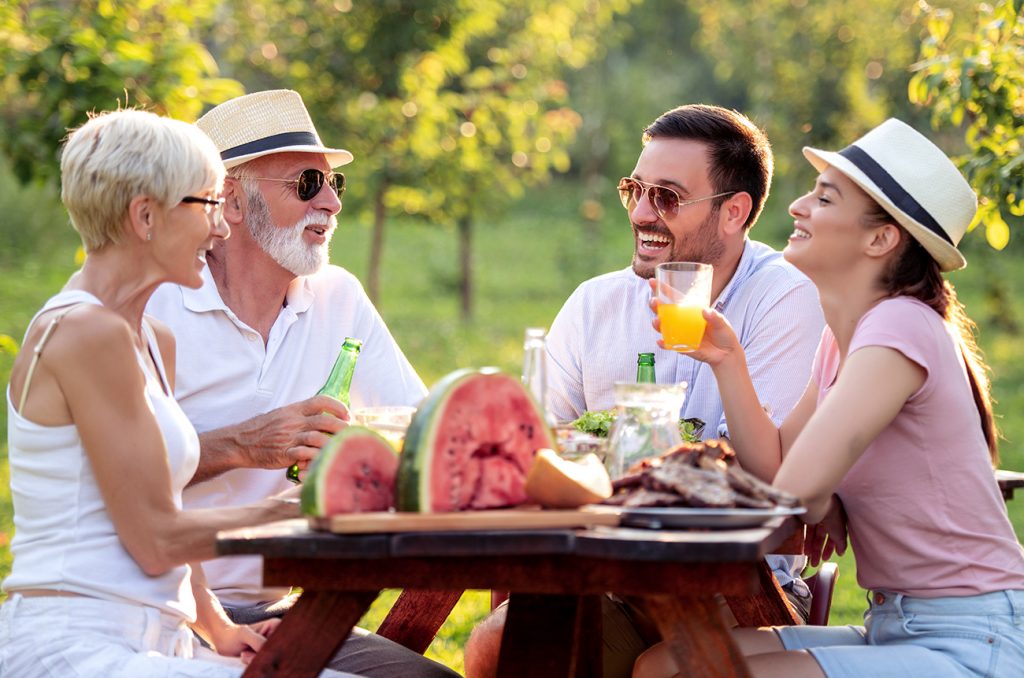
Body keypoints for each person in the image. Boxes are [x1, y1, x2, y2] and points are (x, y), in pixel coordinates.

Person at [634, 118, 1024, 677]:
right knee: (663, 666)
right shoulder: (841, 343)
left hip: (971, 637)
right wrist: (727, 360)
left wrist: (819, 498)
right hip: (896, 623)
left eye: (824, 198)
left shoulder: (900, 328)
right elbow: (777, 471)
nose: (796, 206)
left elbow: (794, 492)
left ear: (880, 238)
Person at [465, 104, 824, 678]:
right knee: (501, 645)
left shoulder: (784, 298)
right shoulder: (593, 304)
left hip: (733, 595)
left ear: (735, 212)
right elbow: (542, 450)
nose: (640, 212)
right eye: (635, 189)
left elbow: (771, 481)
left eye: (668, 197)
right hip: (606, 580)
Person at [0, 109, 357, 676]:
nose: (220, 228)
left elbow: (162, 508)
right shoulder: (84, 333)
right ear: (146, 217)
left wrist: (219, 627)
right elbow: (157, 540)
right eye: (208, 204)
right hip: (74, 646)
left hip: (158, 641)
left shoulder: (149, 337)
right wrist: (297, 511)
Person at [145, 90, 455, 677]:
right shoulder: (157, 304)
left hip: (287, 606)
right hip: (164, 607)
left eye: (335, 184)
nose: (333, 202)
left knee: (427, 677)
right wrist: (239, 445)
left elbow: (418, 430)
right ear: (231, 202)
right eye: (308, 184)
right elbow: (109, 476)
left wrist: (361, 460)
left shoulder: (339, 295)